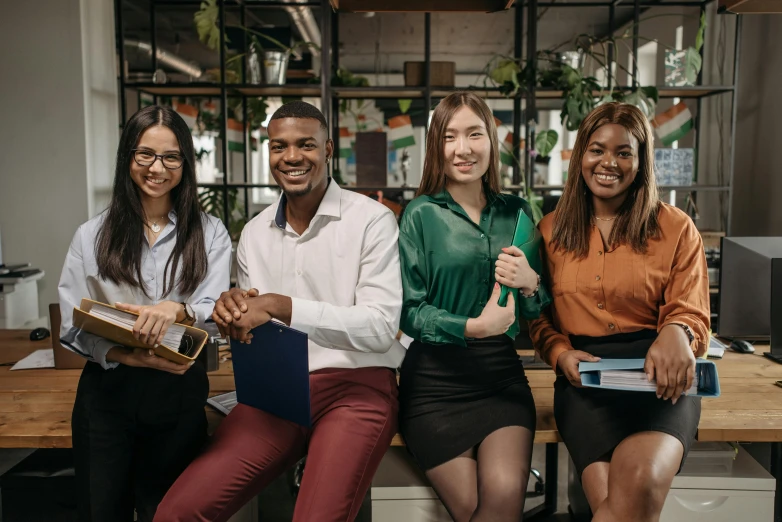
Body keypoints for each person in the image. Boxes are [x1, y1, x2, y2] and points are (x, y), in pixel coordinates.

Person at [154, 101, 404, 522]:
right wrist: (233, 315)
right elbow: (255, 325)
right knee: (176, 513)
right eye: (278, 146)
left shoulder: (372, 221)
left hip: (356, 390)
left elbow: (380, 328)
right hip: (275, 393)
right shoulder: (253, 233)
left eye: (305, 144)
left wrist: (279, 306)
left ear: (327, 150)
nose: (291, 157)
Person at [529, 102, 710, 522]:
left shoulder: (676, 227)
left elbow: (693, 310)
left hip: (661, 381)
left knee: (641, 478)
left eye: (623, 152)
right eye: (597, 149)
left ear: (640, 161)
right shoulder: (550, 231)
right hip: (585, 383)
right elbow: (537, 315)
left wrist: (678, 331)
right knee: (625, 503)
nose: (608, 162)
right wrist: (559, 353)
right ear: (580, 157)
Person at [58, 105, 232, 522]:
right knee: (101, 512)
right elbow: (70, 325)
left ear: (185, 162)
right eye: (145, 155)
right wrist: (124, 354)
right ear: (128, 159)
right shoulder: (92, 234)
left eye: (171, 157)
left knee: (169, 513)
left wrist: (181, 310)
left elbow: (218, 311)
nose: (158, 168)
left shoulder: (210, 233)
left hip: (178, 392)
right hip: (108, 393)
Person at [397, 91, 550, 522]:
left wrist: (531, 283)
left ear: (491, 140)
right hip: (433, 385)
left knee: (502, 502)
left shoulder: (518, 212)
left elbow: (539, 311)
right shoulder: (419, 214)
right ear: (436, 148)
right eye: (450, 137)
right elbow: (409, 310)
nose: (463, 149)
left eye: (474, 134)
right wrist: (473, 327)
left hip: (500, 380)